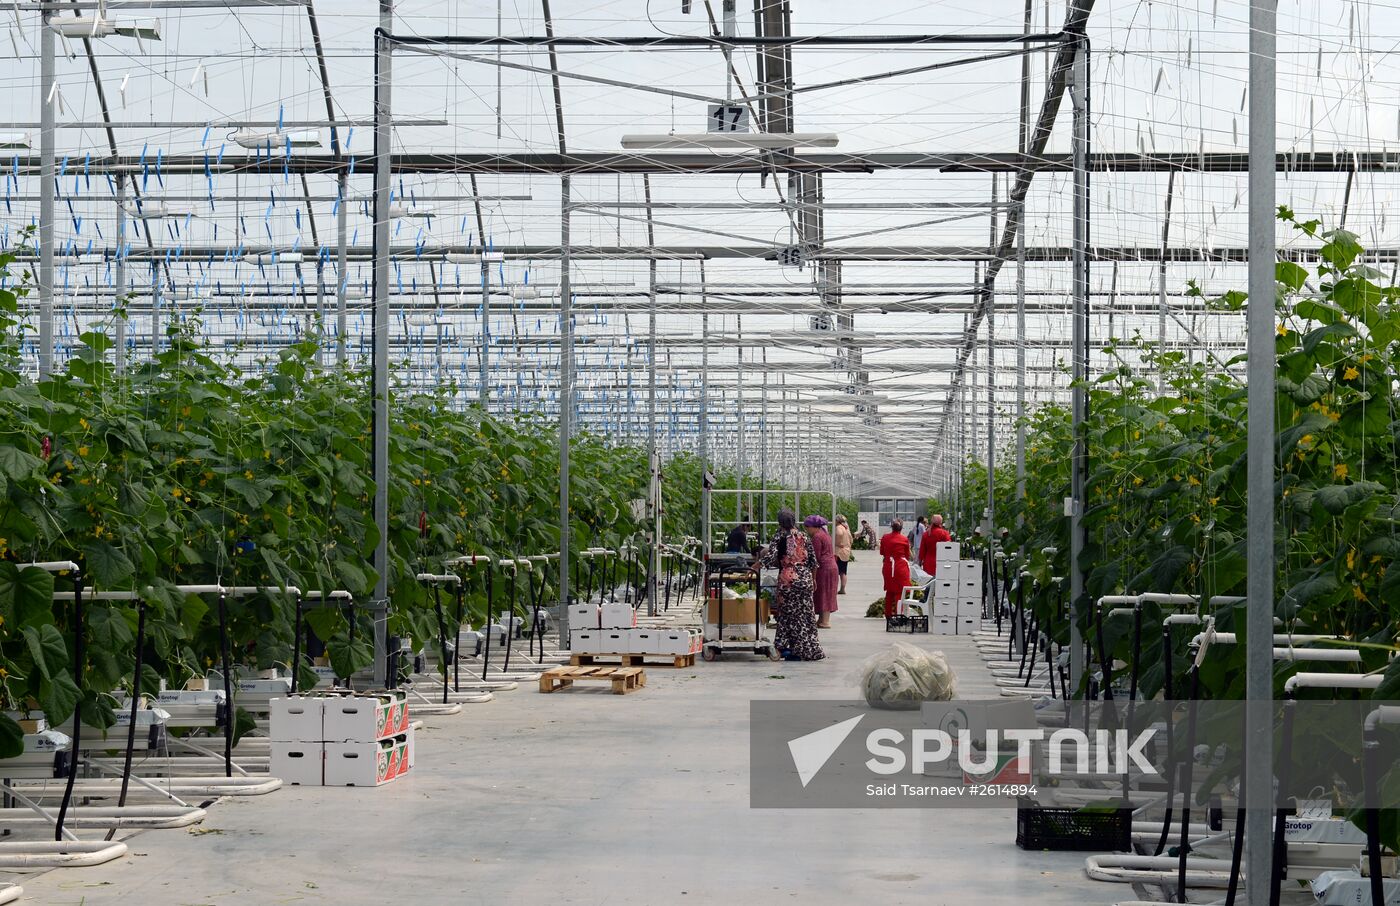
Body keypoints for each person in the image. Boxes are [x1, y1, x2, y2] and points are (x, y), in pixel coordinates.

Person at [755, 509, 824, 661]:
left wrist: (755, 566)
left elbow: (770, 556)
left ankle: (786, 648)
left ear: (780, 522)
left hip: (788, 580)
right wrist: (813, 580)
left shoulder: (780, 536)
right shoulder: (804, 536)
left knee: (787, 615)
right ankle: (809, 649)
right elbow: (813, 561)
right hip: (805, 578)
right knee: (805, 615)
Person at [804, 515, 839, 629]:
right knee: (826, 592)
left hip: (824, 568)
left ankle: (825, 621)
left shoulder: (817, 537)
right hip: (831, 567)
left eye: (808, 527)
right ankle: (821, 619)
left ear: (814, 527)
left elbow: (815, 557)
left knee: (823, 593)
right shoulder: (824, 534)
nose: (807, 530)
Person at [879, 519, 912, 619]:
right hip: (900, 567)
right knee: (899, 592)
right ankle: (899, 613)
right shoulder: (904, 539)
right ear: (901, 528)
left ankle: (888, 614)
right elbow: (907, 555)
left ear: (891, 527)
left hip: (888, 566)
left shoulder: (885, 537)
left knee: (889, 591)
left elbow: (882, 552)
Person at [832, 514, 853, 596]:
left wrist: (837, 543)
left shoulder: (839, 528)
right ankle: (842, 588)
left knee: (836, 571)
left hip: (839, 552)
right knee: (843, 572)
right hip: (846, 552)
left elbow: (839, 534)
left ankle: (834, 588)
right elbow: (851, 539)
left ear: (837, 520)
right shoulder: (847, 528)